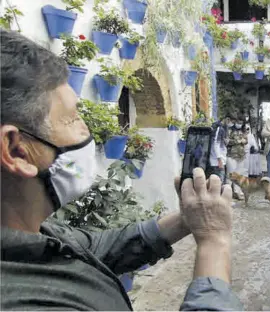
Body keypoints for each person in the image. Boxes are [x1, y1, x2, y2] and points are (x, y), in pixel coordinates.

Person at [0, 29, 242, 311]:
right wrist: (214, 241)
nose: (86, 132)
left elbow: (92, 249)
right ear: (17, 151)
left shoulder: (30, 235)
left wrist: (186, 220)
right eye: (72, 119)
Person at [226, 114, 248, 200]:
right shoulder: (230, 130)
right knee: (230, 175)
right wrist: (238, 141)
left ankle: (237, 192)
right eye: (238, 122)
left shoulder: (244, 130)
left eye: (241, 123)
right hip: (231, 155)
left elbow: (246, 140)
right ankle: (227, 193)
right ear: (235, 121)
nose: (240, 124)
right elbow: (227, 141)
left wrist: (244, 141)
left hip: (241, 156)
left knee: (238, 175)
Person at [210, 117, 229, 183]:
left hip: (217, 161)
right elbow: (216, 144)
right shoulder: (219, 128)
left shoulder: (219, 128)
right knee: (219, 183)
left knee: (217, 183)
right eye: (228, 120)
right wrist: (220, 160)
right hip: (217, 162)